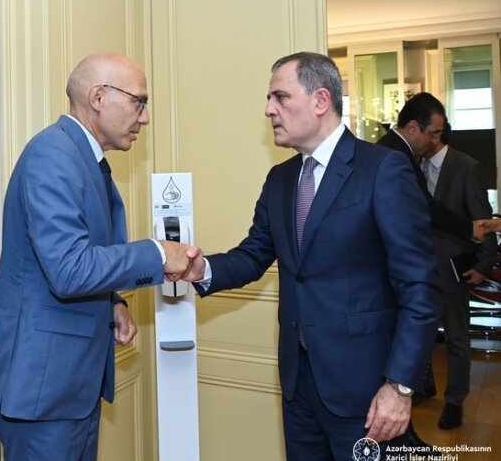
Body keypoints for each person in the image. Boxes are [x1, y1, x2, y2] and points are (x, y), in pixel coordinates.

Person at [182, 52, 442, 460]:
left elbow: (420, 288)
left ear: (321, 100)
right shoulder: (280, 179)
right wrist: (202, 269)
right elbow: (253, 255)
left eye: (280, 97)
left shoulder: (382, 169)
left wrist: (399, 386)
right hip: (299, 383)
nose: (269, 110)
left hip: (367, 390)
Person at [0, 51, 198, 461]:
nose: (145, 118)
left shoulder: (82, 157)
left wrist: (112, 302)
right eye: (139, 102)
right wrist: (157, 254)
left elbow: (74, 256)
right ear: (98, 97)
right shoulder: (52, 155)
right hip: (43, 395)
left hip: (71, 390)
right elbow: (68, 270)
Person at [420, 120, 495, 429]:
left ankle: (454, 402)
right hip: (419, 269)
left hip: (453, 267)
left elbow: (482, 218)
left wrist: (483, 265)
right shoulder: (413, 166)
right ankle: (423, 386)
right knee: (418, 333)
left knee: (457, 339)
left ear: (434, 135)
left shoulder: (467, 167)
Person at [377, 92, 484, 242]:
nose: (434, 141)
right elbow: (424, 206)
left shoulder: (388, 146)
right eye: (433, 134)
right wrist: (470, 228)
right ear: (413, 128)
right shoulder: (397, 157)